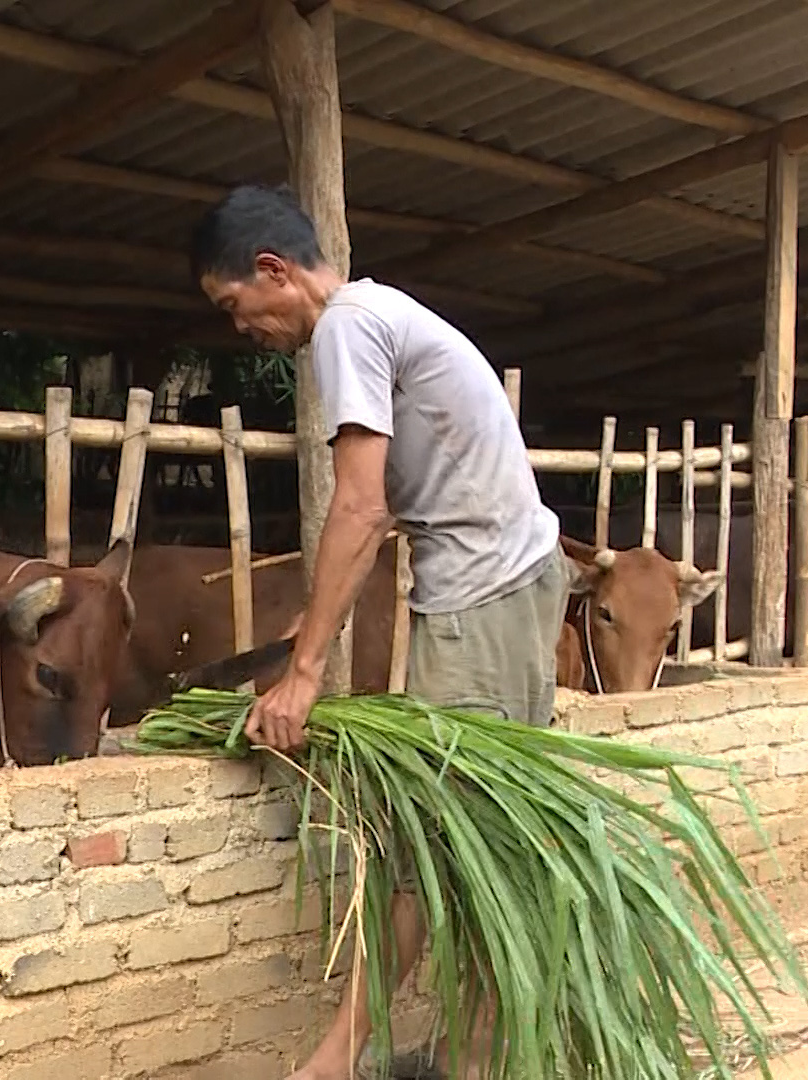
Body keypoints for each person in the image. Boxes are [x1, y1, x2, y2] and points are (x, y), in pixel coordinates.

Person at [189, 183, 569, 1080]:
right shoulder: (386, 312)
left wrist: (308, 670)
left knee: (429, 845)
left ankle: (337, 1064)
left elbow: (359, 508)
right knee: (482, 837)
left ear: (274, 272)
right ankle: (480, 1050)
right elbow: (394, 510)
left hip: (483, 593)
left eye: (235, 308)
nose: (241, 330)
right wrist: (310, 620)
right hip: (509, 584)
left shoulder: (346, 329)